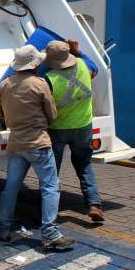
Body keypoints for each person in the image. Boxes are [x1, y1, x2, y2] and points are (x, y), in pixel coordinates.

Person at [0, 45, 75, 250]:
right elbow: (52, 114)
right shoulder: (39, 84)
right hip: (38, 144)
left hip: (16, 144)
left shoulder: (5, 85)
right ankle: (50, 234)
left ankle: (2, 228)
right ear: (35, 64)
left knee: (11, 187)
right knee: (49, 187)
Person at [44, 40, 104, 223]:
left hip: (58, 129)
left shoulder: (49, 79)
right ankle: (94, 204)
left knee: (53, 171)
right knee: (84, 165)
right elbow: (96, 68)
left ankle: (50, 211)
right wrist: (78, 51)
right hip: (83, 126)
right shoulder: (84, 66)